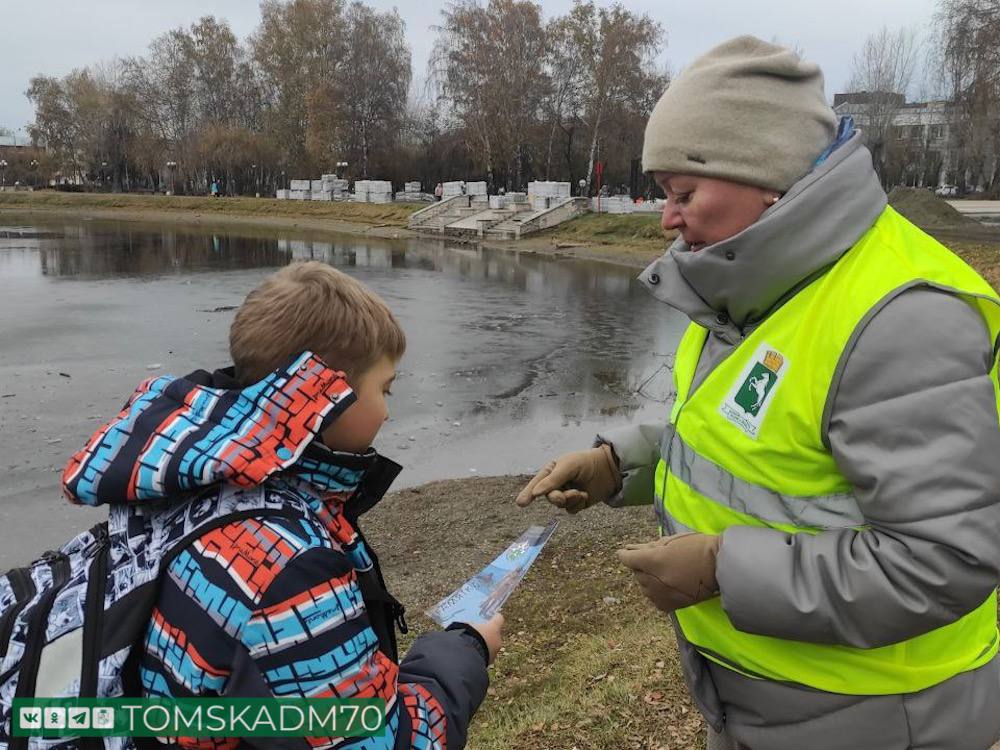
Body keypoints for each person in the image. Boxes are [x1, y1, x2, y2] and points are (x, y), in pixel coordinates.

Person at [516, 36, 1000, 750]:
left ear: (768, 180)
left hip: (877, 717)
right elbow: (751, 436)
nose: (666, 220)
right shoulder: (750, 285)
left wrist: (722, 571)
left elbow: (946, 560)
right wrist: (623, 463)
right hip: (770, 704)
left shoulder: (903, 320)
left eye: (683, 194)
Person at [63, 261, 502, 749]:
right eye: (384, 388)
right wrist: (463, 650)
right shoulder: (287, 564)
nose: (388, 409)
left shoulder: (192, 483)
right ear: (328, 396)